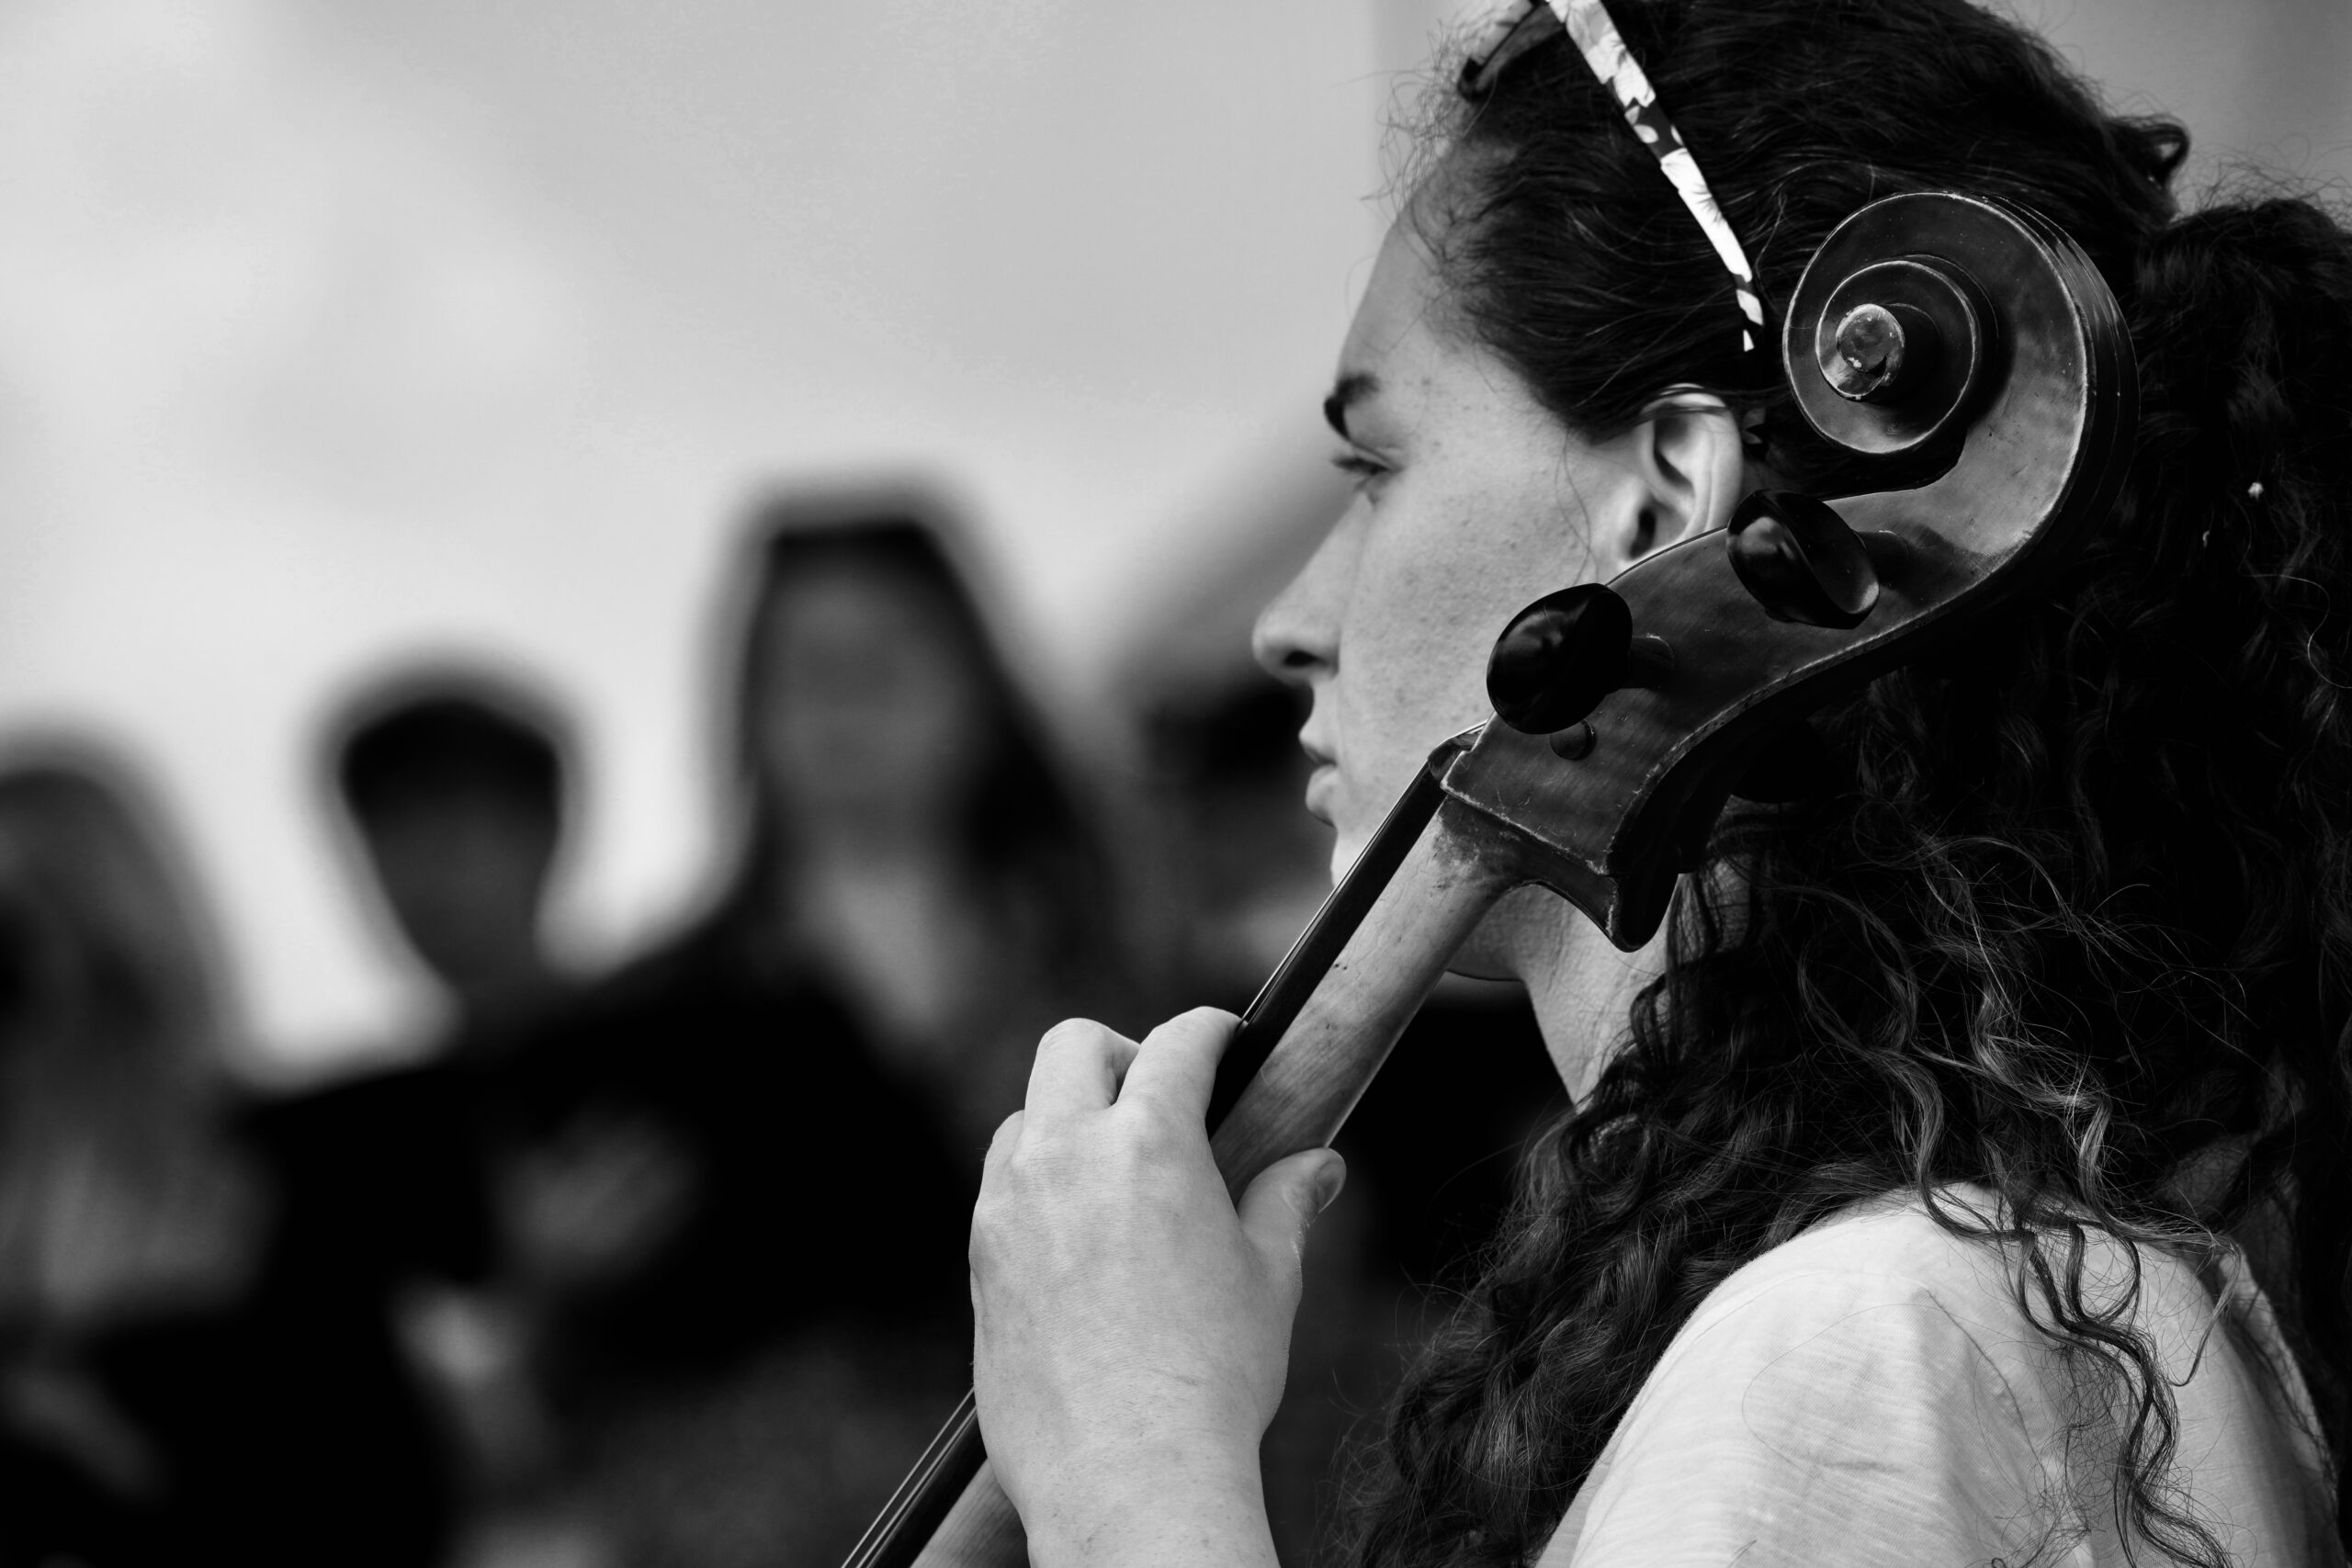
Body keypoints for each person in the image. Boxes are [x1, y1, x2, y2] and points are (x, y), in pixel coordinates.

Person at [967, 3, 2352, 1566]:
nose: (1286, 621)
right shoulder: (1961, 1296)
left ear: (1667, 498)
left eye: (1375, 466)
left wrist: (1133, 1463)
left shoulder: (1865, 1343)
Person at [496, 491, 1129, 1565]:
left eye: (886, 653)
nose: (845, 697)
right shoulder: (644, 1018)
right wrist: (555, 1283)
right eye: (804, 662)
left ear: (980, 683)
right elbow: (542, 1407)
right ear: (747, 704)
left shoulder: (1125, 974)